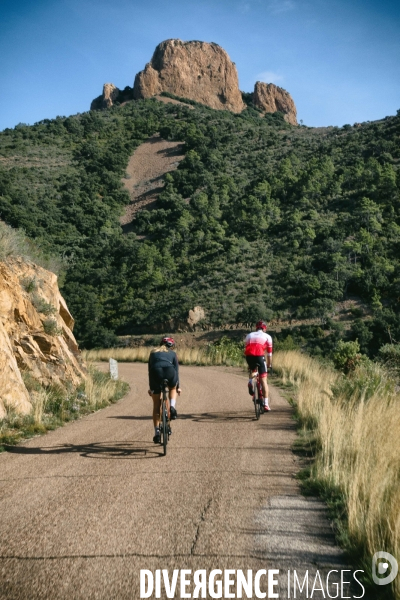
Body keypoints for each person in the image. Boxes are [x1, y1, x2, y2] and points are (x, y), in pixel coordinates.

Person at [148, 337, 181, 443]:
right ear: (172, 346)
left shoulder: (153, 352)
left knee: (156, 404)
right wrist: (178, 386)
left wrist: (151, 388)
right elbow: (177, 370)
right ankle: (172, 406)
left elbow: (150, 370)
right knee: (172, 387)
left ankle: (157, 432)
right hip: (170, 371)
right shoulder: (173, 353)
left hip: (156, 373)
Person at [244, 320, 273, 412]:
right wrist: (269, 364)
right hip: (260, 357)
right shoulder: (268, 337)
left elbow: (247, 347)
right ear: (264, 328)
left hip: (249, 357)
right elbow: (269, 354)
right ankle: (266, 404)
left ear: (256, 328)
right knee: (263, 380)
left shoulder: (249, 335)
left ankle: (250, 382)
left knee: (253, 370)